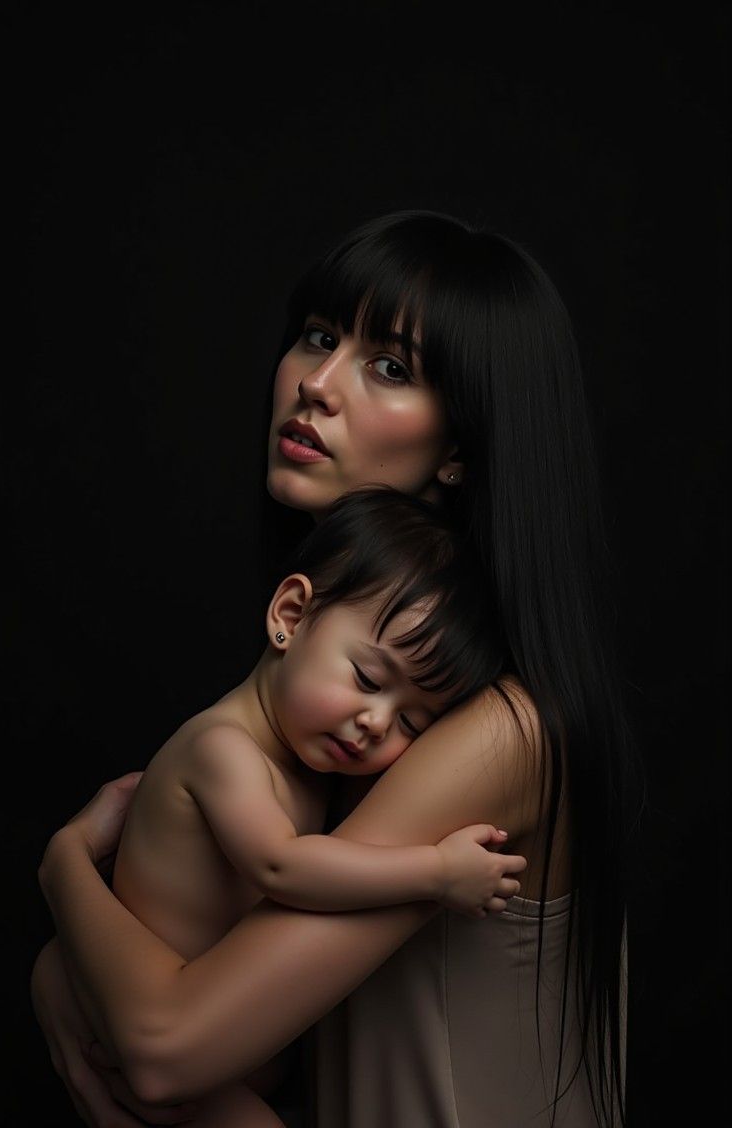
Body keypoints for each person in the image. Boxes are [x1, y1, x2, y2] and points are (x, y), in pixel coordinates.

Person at [32, 208, 641, 1128]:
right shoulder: (343, 704)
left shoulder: (501, 731)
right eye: (318, 338)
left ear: (464, 453)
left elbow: (164, 1049)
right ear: (291, 614)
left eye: (389, 368)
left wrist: (62, 867)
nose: (315, 384)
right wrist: (56, 979)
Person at [105, 484, 526, 1126]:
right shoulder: (223, 750)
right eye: (367, 679)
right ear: (292, 615)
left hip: (234, 1060)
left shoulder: (310, 763)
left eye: (414, 722)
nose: (375, 723)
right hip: (170, 1050)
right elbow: (283, 867)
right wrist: (436, 872)